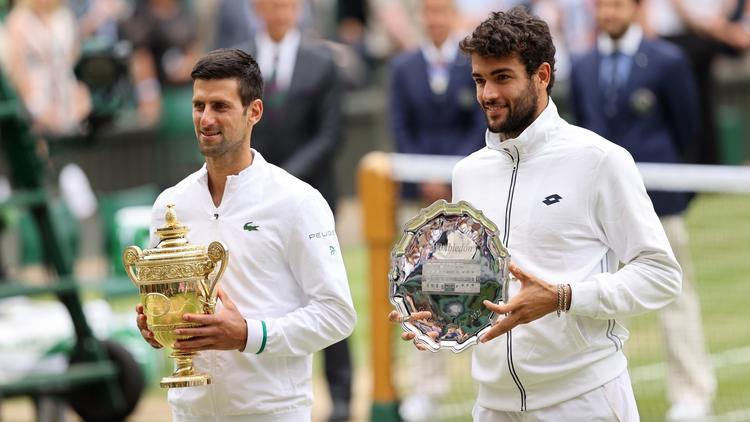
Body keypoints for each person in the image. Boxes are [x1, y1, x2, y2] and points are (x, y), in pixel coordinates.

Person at [389, 7, 682, 420]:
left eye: (502, 77)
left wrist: (563, 297)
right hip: (492, 406)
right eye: (479, 79)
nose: (487, 93)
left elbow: (661, 275)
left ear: (542, 75)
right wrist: (433, 308)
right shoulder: (467, 173)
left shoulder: (600, 160)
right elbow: (475, 281)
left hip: (585, 401)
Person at [135, 48, 356, 422]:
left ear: (254, 111)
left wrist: (248, 334)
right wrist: (157, 326)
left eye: (220, 106)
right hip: (189, 412)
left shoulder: (298, 201)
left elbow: (337, 315)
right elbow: (167, 310)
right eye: (198, 105)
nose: (205, 119)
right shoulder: (169, 205)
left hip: (272, 412)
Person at [568, 0, 716, 420]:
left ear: (636, 8)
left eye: (616, 5)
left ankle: (691, 392)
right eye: (601, 6)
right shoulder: (582, 65)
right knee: (600, 296)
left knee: (676, 293)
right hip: (597, 206)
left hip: (659, 199)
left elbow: (687, 127)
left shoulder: (667, 60)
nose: (607, 13)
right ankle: (605, 396)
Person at [234, 2, 353, 420]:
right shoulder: (239, 61)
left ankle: (340, 397)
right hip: (249, 201)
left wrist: (282, 181)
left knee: (324, 290)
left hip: (311, 196)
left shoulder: (322, 61)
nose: (278, 9)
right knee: (260, 287)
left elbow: (332, 133)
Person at [389, 0, 486, 205]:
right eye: (429, 13)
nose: (435, 20)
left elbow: (480, 124)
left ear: (454, 15)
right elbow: (399, 126)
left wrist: (450, 176)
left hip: (465, 184)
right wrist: (424, 176)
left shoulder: (473, 64)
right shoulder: (402, 68)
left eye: (441, 12)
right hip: (417, 188)